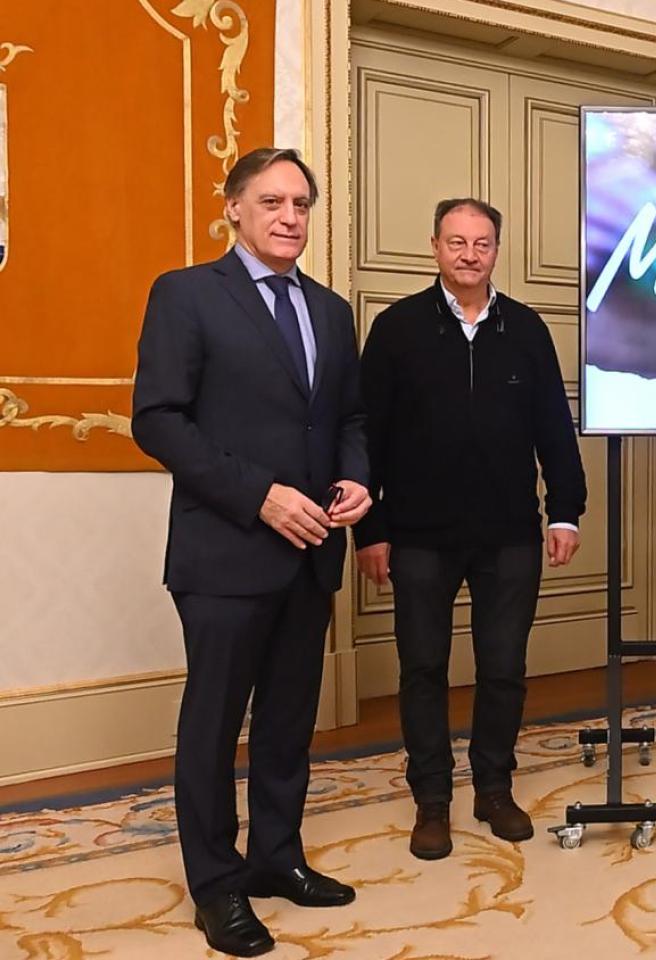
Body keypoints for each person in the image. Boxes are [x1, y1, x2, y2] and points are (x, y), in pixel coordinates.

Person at [132, 147, 370, 957]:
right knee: (214, 723)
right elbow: (157, 420)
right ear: (233, 207)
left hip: (312, 553)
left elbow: (348, 421)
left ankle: (277, 859)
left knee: (288, 722)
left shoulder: (333, 312)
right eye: (272, 201)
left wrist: (356, 480)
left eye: (301, 203)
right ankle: (217, 886)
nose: (290, 217)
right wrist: (258, 493)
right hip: (225, 550)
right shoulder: (187, 295)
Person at [354, 198, 588, 861]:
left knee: (504, 668)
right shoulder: (396, 329)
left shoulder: (527, 329)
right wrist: (370, 527)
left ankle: (493, 787)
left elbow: (553, 427)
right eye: (455, 242)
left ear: (496, 251)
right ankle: (432, 800)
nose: (468, 254)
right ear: (434, 247)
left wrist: (565, 509)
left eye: (481, 243)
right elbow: (366, 435)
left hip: (510, 534)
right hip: (418, 537)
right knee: (423, 668)